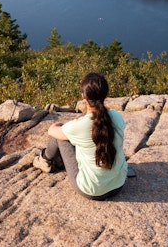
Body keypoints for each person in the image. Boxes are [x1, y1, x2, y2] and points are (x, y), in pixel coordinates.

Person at [33, 72, 128, 200]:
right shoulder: (117, 116)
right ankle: (53, 160)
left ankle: (44, 160)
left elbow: (51, 131)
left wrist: (60, 125)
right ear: (106, 94)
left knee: (60, 137)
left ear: (83, 96)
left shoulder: (79, 126)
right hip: (118, 185)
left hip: (92, 190)